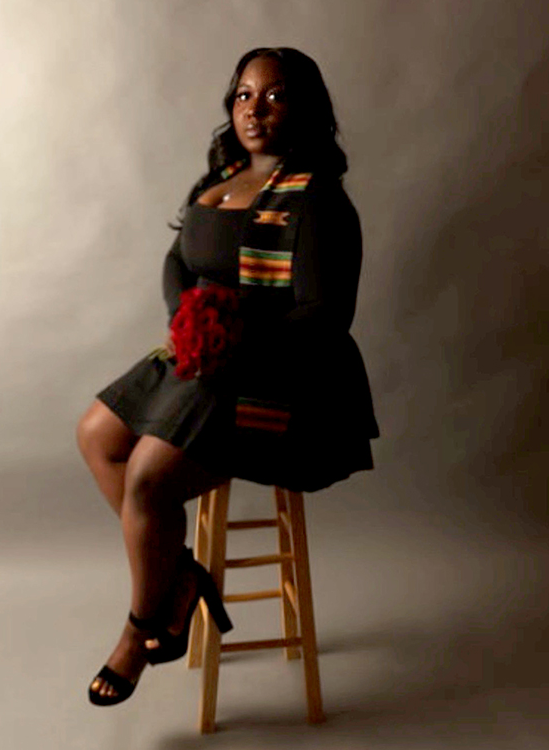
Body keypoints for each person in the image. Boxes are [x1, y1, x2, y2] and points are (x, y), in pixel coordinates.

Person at [77, 47, 379, 706]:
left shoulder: (319, 200)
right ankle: (182, 581)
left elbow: (327, 314)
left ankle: (140, 629)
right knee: (97, 434)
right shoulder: (220, 178)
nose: (255, 110)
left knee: (149, 476)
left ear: (304, 107)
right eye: (244, 95)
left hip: (278, 369)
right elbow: (177, 259)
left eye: (274, 96)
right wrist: (182, 319)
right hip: (202, 349)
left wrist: (235, 341)